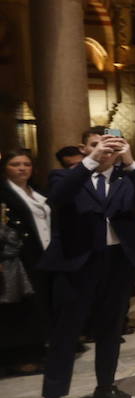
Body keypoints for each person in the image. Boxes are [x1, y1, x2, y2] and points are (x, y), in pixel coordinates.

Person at [27, 128, 135, 398]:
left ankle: (105, 385)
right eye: (95, 145)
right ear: (83, 148)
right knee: (66, 330)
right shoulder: (65, 176)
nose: (103, 149)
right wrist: (91, 161)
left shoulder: (127, 179)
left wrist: (132, 163)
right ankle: (52, 395)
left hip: (117, 262)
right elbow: (58, 198)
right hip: (78, 263)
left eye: (108, 145)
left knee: (111, 327)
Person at [2, 149, 51, 375]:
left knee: (42, 301)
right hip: (18, 258)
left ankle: (44, 346)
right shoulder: (4, 194)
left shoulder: (38, 191)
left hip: (45, 252)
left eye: (26, 164)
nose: (22, 168)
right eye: (15, 164)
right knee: (23, 306)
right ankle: (22, 355)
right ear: (5, 168)